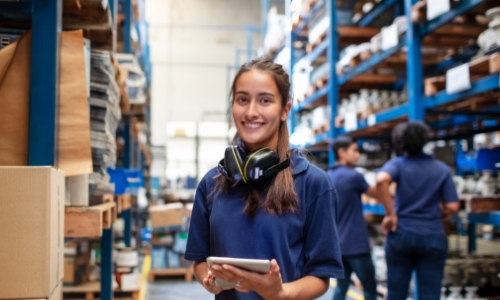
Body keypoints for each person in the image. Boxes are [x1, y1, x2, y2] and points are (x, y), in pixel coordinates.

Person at [185, 57, 344, 300]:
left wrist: (281, 293)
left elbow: (321, 276)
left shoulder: (313, 184)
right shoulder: (212, 184)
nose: (251, 112)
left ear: (284, 110)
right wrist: (210, 279)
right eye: (242, 99)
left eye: (265, 100)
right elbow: (199, 260)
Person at [376, 121, 460, 300]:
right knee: (430, 293)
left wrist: (391, 214)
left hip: (401, 233)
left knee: (396, 293)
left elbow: (381, 180)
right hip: (432, 235)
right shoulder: (441, 169)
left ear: (400, 141)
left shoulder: (397, 164)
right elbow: (453, 206)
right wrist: (437, 216)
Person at [327, 136, 378, 300]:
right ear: (341, 152)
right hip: (356, 245)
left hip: (337, 245)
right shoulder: (353, 176)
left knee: (341, 287)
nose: (358, 155)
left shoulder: (327, 176)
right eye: (354, 150)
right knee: (370, 288)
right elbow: (376, 194)